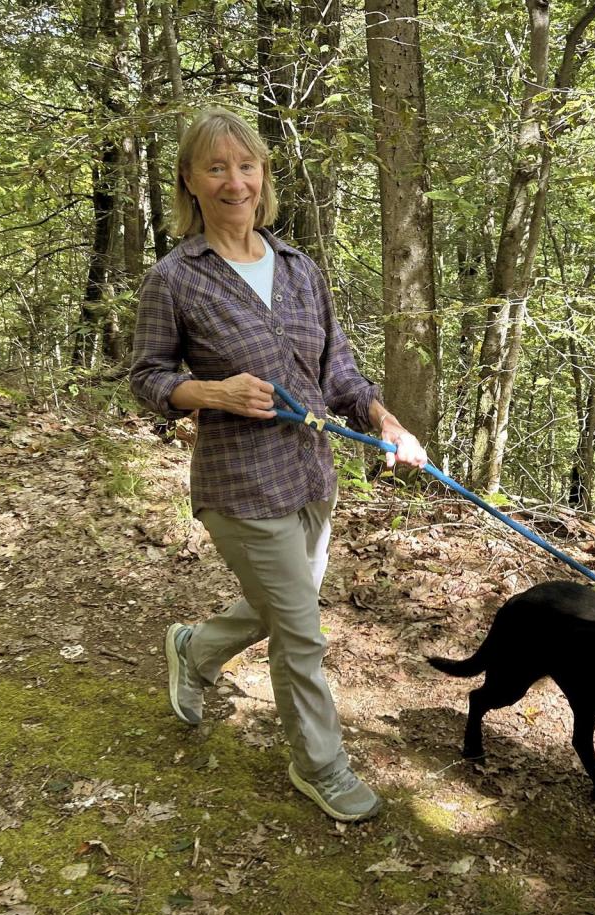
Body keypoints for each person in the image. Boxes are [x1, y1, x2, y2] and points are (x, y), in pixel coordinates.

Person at [129, 108, 428, 822]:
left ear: (263, 176)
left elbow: (339, 370)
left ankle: (195, 651)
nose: (235, 182)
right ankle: (321, 766)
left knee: (279, 608)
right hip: (240, 486)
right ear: (189, 180)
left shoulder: (298, 268)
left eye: (247, 165)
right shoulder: (177, 278)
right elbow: (145, 376)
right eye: (217, 167)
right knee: (301, 632)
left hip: (312, 476)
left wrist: (387, 424)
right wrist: (210, 392)